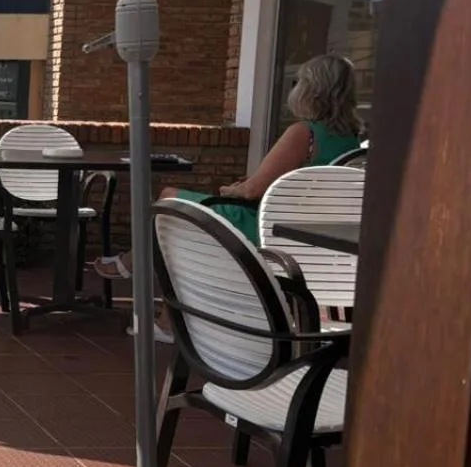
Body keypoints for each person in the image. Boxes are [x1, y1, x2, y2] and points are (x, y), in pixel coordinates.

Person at [93, 54, 364, 326]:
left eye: (299, 82)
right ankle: (161, 312)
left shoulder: (305, 133)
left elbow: (252, 191)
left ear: (311, 90)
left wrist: (231, 189)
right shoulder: (352, 142)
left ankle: (135, 270)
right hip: (306, 236)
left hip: (263, 228)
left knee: (168, 203)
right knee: (172, 219)